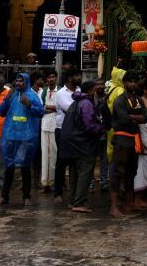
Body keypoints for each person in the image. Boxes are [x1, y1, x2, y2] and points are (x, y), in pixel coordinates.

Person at [0, 72, 44, 205]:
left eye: (21, 81)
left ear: (26, 82)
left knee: (25, 166)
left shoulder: (32, 96)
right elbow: (1, 112)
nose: (18, 83)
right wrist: (6, 99)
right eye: (17, 81)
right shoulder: (11, 95)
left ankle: (26, 197)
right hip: (10, 135)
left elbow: (40, 112)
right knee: (9, 166)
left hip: (26, 137)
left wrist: (29, 105)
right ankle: (4, 196)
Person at [59, 79, 104, 213]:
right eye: (96, 88)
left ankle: (73, 200)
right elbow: (90, 126)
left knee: (74, 174)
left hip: (71, 145)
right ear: (90, 90)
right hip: (83, 145)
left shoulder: (76, 102)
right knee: (85, 174)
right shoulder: (86, 104)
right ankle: (79, 202)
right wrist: (101, 128)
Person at [109, 71, 145, 217]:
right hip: (122, 139)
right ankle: (113, 207)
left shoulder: (137, 99)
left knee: (131, 171)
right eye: (130, 82)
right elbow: (123, 119)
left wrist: (133, 116)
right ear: (125, 83)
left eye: (135, 82)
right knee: (118, 172)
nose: (133, 84)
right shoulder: (119, 100)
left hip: (134, 139)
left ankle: (129, 204)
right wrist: (138, 117)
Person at [52, 70, 81, 202]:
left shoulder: (79, 89)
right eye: (77, 75)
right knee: (62, 161)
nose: (79, 77)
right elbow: (70, 109)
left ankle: (74, 193)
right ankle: (58, 193)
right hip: (63, 130)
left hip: (77, 131)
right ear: (70, 78)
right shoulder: (61, 93)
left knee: (75, 162)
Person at [38, 69, 60, 193]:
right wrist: (48, 108)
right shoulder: (44, 91)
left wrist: (46, 107)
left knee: (54, 155)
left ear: (56, 78)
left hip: (55, 126)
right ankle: (45, 183)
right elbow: (39, 107)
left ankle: (54, 182)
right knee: (44, 155)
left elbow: (60, 107)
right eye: (49, 77)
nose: (51, 79)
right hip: (45, 124)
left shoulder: (60, 91)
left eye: (53, 77)